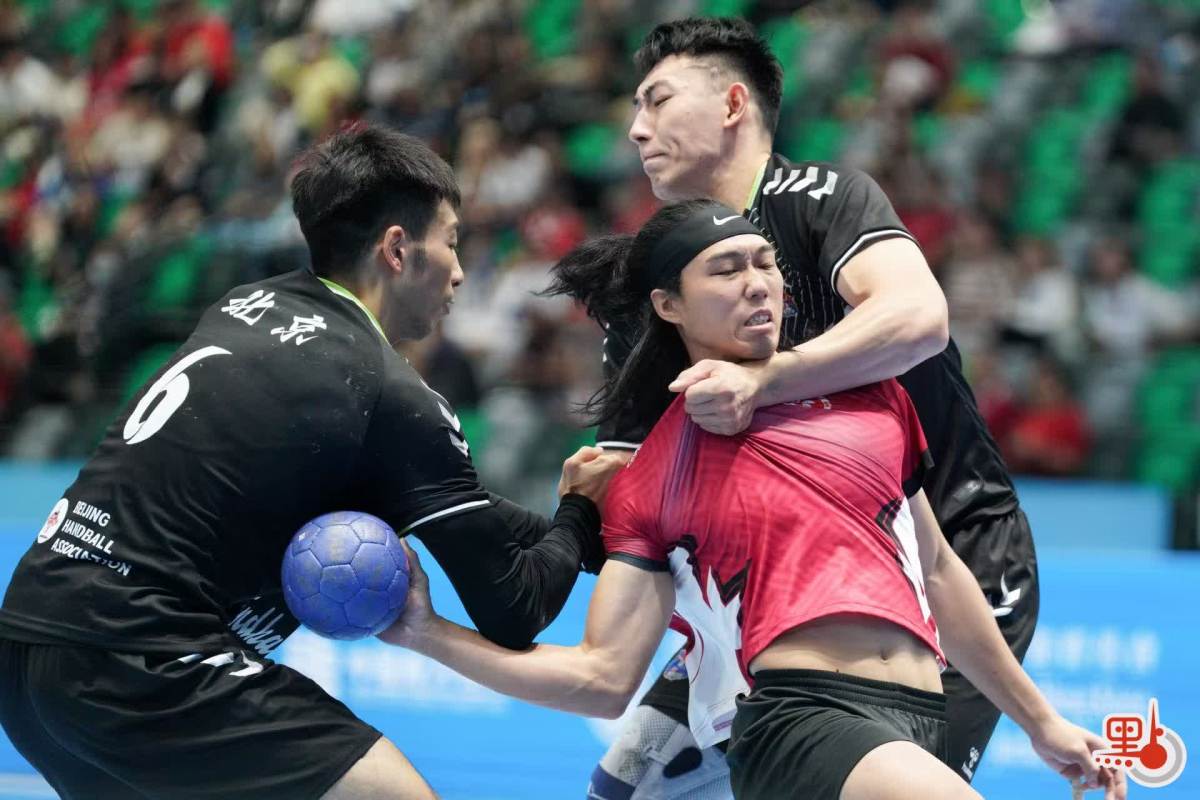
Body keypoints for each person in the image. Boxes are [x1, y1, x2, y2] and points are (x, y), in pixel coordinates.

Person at [383, 201, 1123, 800]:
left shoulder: (874, 396)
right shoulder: (653, 473)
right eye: (727, 269)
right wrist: (427, 634)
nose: (758, 283)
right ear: (669, 305)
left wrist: (1041, 723)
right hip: (802, 722)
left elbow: (936, 572)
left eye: (765, 263)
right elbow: (602, 679)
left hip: (920, 720)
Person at [0, 124, 622, 800]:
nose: (460, 270)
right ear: (397, 250)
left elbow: (472, 516)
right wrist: (578, 511)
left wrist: (611, 539)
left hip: (27, 644)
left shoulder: (245, 305)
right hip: (144, 657)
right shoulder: (386, 392)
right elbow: (516, 609)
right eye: (450, 241)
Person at [592, 17, 1040, 793]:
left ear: (733, 105)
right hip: (774, 596)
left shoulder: (820, 199)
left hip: (942, 566)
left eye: (657, 101)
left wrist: (766, 379)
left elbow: (919, 318)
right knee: (629, 786)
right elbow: (625, 479)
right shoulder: (655, 288)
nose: (636, 128)